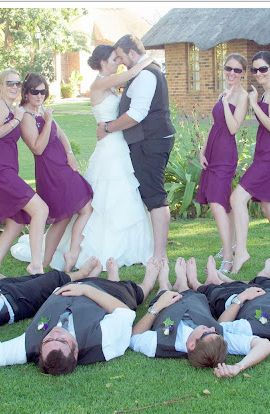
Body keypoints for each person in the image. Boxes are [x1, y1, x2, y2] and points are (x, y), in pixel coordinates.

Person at [0, 258, 161, 385]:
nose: (55, 333)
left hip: (72, 288)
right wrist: (86, 291)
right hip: (109, 295)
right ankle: (147, 279)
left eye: (49, 340)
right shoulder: (105, 344)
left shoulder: (29, 346)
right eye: (62, 340)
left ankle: (107, 275)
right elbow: (123, 313)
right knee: (137, 293)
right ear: (76, 351)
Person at [27, 45, 155, 271]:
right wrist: (149, 59)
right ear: (103, 62)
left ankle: (120, 245)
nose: (118, 63)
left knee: (120, 193)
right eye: (114, 59)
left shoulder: (110, 85)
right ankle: (78, 250)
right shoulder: (99, 83)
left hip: (116, 142)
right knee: (104, 195)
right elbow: (132, 73)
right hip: (110, 146)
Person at [97, 34, 175, 262]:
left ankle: (159, 255)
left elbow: (136, 114)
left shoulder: (146, 75)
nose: (120, 61)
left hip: (150, 141)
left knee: (155, 196)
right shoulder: (141, 72)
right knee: (147, 193)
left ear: (132, 53)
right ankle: (150, 248)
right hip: (146, 140)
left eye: (121, 57)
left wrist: (108, 127)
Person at [129, 257, 270, 378]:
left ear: (192, 345)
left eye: (207, 332)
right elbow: (264, 344)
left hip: (164, 304)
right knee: (188, 291)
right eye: (215, 332)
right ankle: (183, 282)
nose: (212, 328)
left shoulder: (161, 344)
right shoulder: (217, 342)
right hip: (196, 300)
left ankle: (163, 283)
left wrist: (157, 307)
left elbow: (134, 337)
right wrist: (239, 366)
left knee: (163, 291)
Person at [0, 68, 49, 281]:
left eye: (17, 83)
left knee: (16, 223)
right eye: (9, 83)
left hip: (5, 169)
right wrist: (17, 119)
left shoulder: (12, 108)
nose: (14, 87)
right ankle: (36, 265)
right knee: (40, 209)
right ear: (0, 85)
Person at [19, 73, 94, 272]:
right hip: (50, 170)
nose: (39, 96)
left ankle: (55, 258)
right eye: (35, 92)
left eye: (43, 92)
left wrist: (70, 154)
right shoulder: (26, 116)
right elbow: (37, 148)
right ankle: (58, 257)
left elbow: (61, 134)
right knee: (71, 213)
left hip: (63, 165)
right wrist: (48, 120)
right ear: (26, 93)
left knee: (70, 213)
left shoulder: (42, 110)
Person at [230, 51, 270, 273]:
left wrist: (254, 104)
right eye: (255, 69)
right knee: (268, 205)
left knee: (237, 198)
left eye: (263, 69)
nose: (259, 73)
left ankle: (241, 252)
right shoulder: (268, 92)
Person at [195, 53, 249, 275]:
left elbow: (233, 127)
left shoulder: (242, 96)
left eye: (237, 70)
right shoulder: (224, 93)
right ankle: (232, 245)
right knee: (223, 203)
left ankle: (228, 258)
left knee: (217, 204)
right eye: (228, 68)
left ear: (243, 73)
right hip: (213, 152)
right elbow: (215, 125)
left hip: (226, 155)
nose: (232, 73)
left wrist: (226, 102)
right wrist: (202, 150)